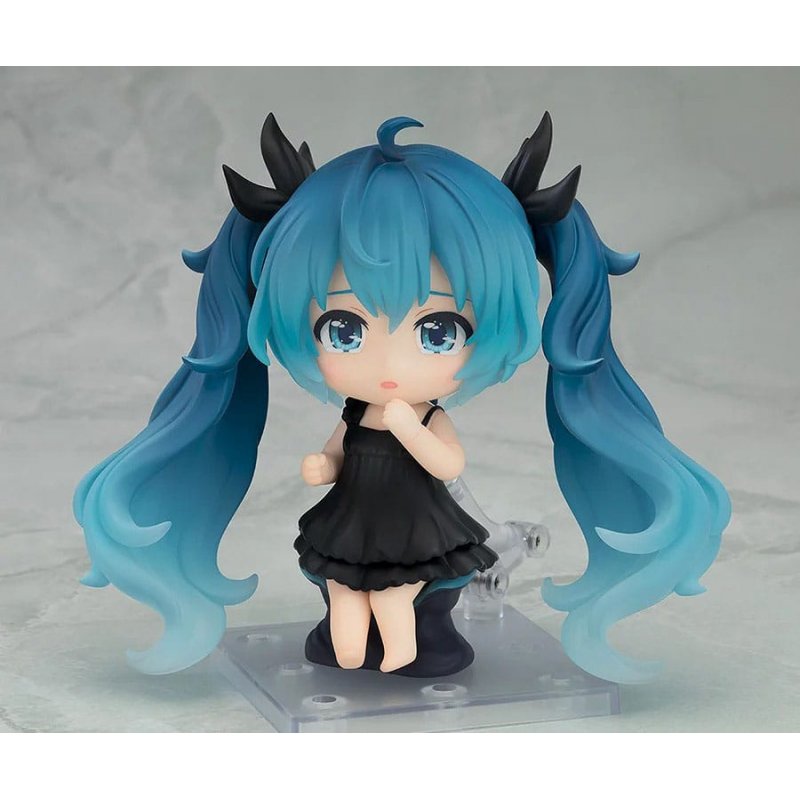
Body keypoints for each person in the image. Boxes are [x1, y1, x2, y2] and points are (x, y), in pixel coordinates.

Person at [73, 113, 731, 683]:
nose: (389, 367)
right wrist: (322, 465)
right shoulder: (356, 413)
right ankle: (347, 649)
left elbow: (447, 465)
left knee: (401, 603)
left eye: (437, 332)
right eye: (344, 330)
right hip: (353, 525)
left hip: (419, 531)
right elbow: (334, 455)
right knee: (343, 596)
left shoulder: (427, 415)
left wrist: (412, 430)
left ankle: (409, 653)